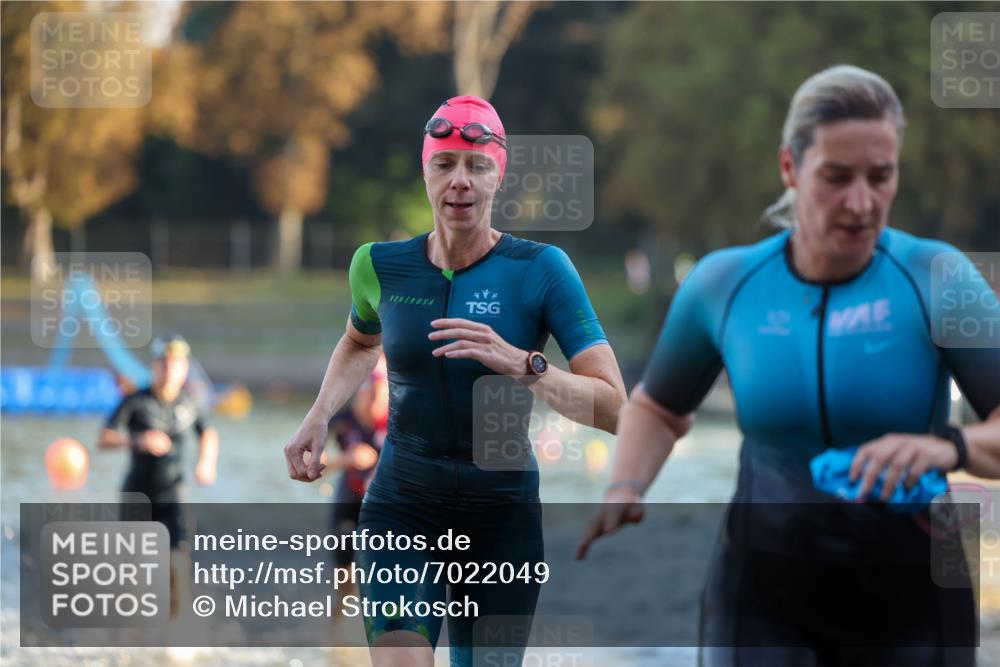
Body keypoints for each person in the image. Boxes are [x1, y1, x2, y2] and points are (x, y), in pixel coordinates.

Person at [578, 65, 999, 666]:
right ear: (789, 168)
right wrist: (625, 483)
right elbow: (657, 407)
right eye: (836, 177)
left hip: (914, 595)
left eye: (882, 177)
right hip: (763, 590)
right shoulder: (725, 285)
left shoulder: (939, 279)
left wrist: (950, 447)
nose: (862, 202)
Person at [284, 95, 627, 667]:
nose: (460, 182)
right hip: (401, 505)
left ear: (500, 175)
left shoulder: (541, 270)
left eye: (477, 166)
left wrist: (524, 363)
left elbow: (616, 410)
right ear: (426, 171)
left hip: (501, 519)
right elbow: (358, 341)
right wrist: (318, 414)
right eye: (445, 164)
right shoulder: (379, 265)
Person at [99, 333, 220, 616]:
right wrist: (138, 440)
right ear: (154, 366)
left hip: (173, 494)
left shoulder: (190, 403)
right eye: (164, 364)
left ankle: (177, 636)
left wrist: (206, 463)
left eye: (176, 365)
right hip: (137, 496)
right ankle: (131, 639)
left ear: (185, 368)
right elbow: (104, 438)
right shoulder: (135, 401)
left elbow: (209, 434)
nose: (170, 371)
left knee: (177, 564)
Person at [324, 356, 387, 613]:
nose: (375, 404)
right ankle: (339, 632)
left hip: (385, 504)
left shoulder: (397, 421)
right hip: (349, 498)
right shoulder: (342, 419)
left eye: (382, 397)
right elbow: (310, 465)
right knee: (343, 568)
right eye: (370, 395)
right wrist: (346, 460)